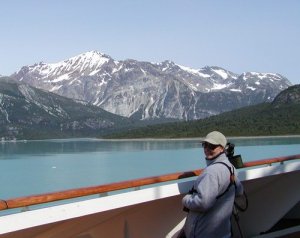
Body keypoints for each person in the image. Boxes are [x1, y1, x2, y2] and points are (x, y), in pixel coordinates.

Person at [182, 131, 244, 238]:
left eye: (212, 146)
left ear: (222, 148)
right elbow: (239, 191)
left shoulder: (211, 172)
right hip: (223, 232)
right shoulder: (230, 167)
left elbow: (203, 203)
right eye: (205, 145)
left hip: (204, 233)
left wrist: (186, 199)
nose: (207, 149)